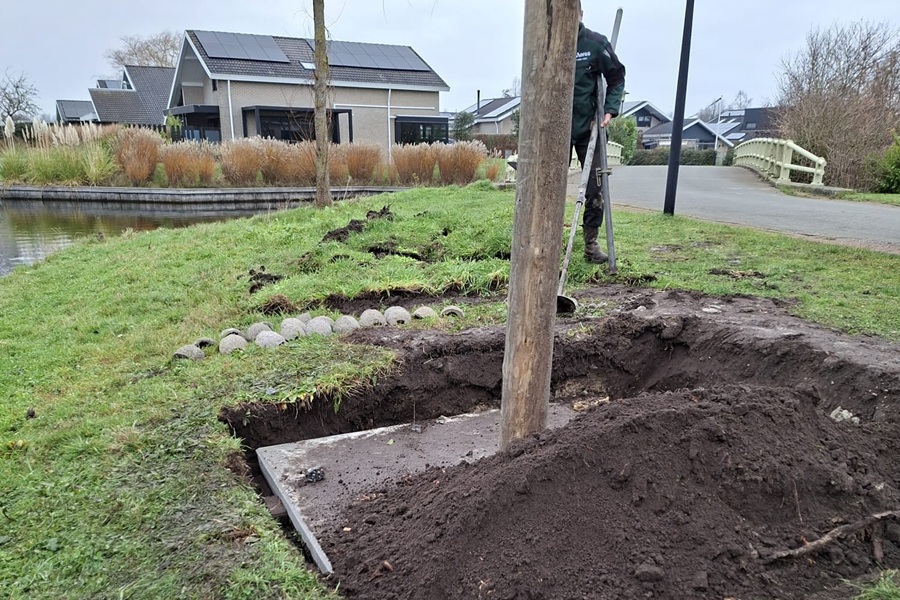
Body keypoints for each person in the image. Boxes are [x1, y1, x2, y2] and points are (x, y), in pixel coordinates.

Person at [572, 3, 626, 264]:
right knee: (546, 188)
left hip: (588, 130)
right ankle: (541, 241)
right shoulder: (545, 42)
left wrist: (610, 110)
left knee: (595, 187)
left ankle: (590, 245)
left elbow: (616, 78)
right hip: (553, 132)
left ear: (580, 14)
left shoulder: (595, 44)